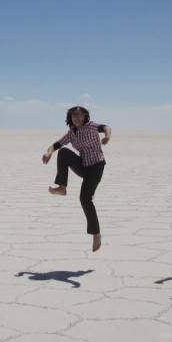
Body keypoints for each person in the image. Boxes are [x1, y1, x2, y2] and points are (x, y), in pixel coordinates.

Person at [42, 106, 111, 252]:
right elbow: (56, 145)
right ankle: (62, 187)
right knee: (63, 153)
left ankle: (96, 234)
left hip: (96, 166)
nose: (77, 118)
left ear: (85, 116)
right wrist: (48, 153)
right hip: (83, 166)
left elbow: (106, 127)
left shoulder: (91, 126)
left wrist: (107, 137)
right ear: (70, 118)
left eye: (79, 116)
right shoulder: (71, 132)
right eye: (74, 116)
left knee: (85, 199)